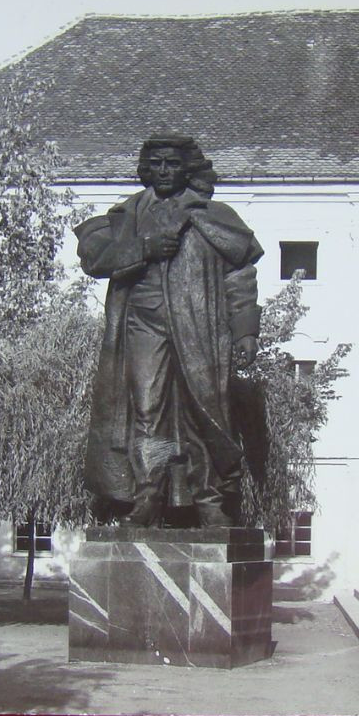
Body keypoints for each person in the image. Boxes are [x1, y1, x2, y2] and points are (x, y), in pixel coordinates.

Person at [75, 133, 263, 528]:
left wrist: (246, 329)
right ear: (144, 168)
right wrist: (144, 247)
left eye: (172, 163)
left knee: (204, 410)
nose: (163, 171)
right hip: (143, 324)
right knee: (147, 412)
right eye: (156, 163)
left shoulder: (211, 214)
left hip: (200, 325)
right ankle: (148, 494)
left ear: (187, 169)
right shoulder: (126, 215)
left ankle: (210, 499)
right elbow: (93, 259)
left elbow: (240, 274)